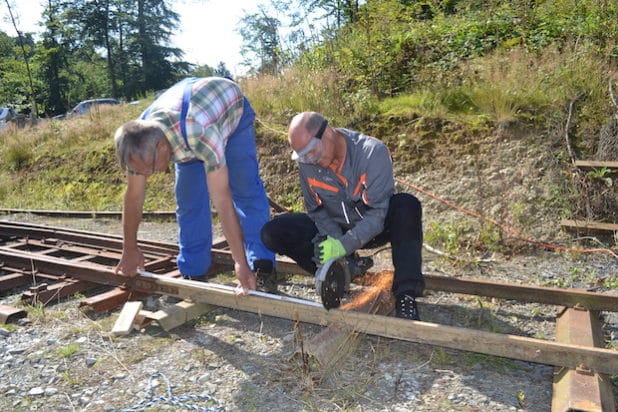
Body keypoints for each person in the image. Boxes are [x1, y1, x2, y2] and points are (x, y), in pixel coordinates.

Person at [113, 76, 275, 293]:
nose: (147, 175)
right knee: (189, 202)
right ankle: (194, 270)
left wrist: (241, 264)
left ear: (162, 148)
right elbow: (133, 198)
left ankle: (262, 266)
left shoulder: (200, 132)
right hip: (186, 123)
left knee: (245, 190)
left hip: (229, 114)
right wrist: (130, 248)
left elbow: (223, 202)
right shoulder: (138, 140)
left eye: (149, 169)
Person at [261, 112, 425, 319]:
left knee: (407, 205)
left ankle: (406, 295)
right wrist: (334, 240)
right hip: (338, 228)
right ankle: (340, 274)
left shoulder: (372, 153)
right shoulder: (307, 164)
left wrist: (343, 246)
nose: (310, 160)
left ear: (328, 132)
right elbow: (316, 209)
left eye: (312, 152)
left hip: (376, 227)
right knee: (273, 231)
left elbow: (378, 213)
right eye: (303, 156)